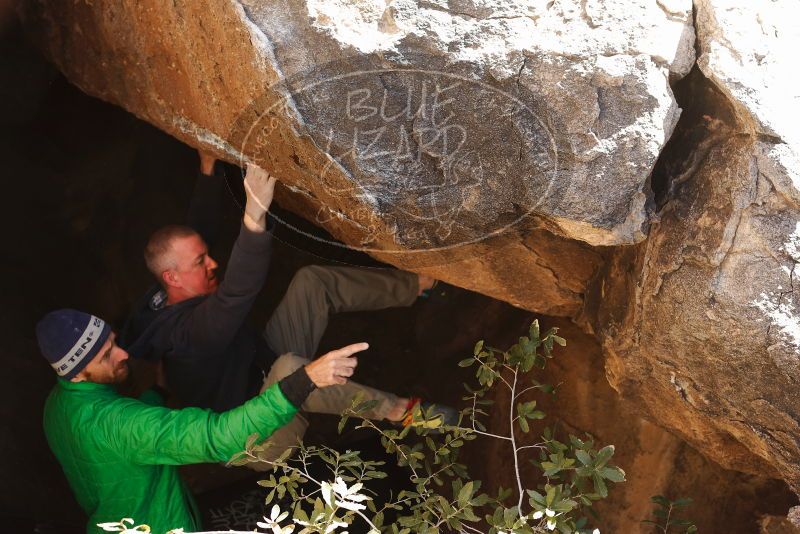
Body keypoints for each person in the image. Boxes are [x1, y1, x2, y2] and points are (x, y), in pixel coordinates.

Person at [121, 154, 454, 462]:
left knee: (311, 284)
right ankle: (400, 412)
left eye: (206, 255)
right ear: (173, 277)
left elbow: (196, 233)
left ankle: (420, 286)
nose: (213, 263)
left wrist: (208, 170)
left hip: (263, 367)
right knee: (293, 370)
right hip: (257, 437)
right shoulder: (187, 337)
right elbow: (235, 295)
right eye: (200, 262)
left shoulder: (164, 294)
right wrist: (253, 215)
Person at [38, 308, 367, 534]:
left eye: (113, 341)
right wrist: (303, 379)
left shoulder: (57, 406)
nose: (123, 354)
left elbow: (121, 434)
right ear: (79, 373)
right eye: (105, 356)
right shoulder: (120, 425)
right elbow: (218, 436)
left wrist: (156, 394)